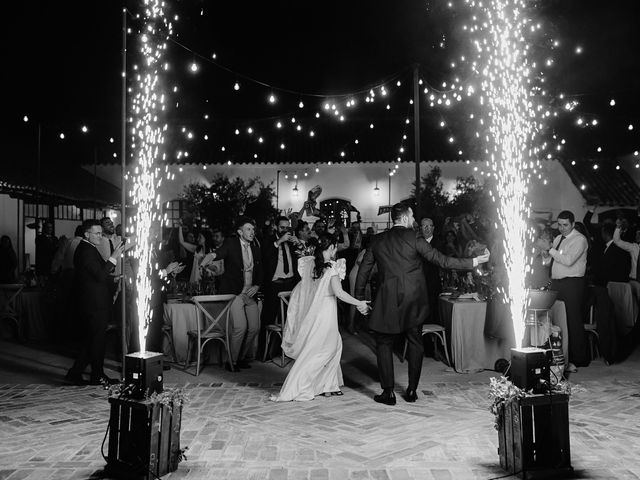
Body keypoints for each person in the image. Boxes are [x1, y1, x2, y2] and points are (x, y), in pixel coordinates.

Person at [355, 203, 489, 405]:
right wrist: (474, 262)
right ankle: (411, 391)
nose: (414, 220)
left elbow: (363, 271)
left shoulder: (378, 240)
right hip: (413, 301)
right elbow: (442, 260)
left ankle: (388, 393)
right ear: (406, 218)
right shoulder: (415, 238)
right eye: (412, 216)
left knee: (384, 344)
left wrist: (359, 299)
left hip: (387, 299)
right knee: (416, 342)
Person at [270, 234, 369, 402]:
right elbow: (339, 293)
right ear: (330, 248)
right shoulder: (331, 268)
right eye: (335, 247)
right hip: (325, 313)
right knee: (322, 351)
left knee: (334, 346)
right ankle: (299, 386)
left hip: (319, 311)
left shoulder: (312, 265)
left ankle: (328, 385)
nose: (336, 250)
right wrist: (359, 302)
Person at [65, 219, 125, 385]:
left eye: (101, 233)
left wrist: (113, 278)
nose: (101, 236)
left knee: (92, 340)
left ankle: (77, 373)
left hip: (94, 301)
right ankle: (95, 375)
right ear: (87, 234)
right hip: (93, 303)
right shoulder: (86, 251)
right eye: (97, 233)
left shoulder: (89, 248)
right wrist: (113, 258)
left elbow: (96, 275)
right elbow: (99, 275)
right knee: (97, 340)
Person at [203, 216, 263, 372]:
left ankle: (241, 357)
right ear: (240, 231)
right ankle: (232, 360)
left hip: (250, 295)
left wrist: (257, 285)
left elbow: (261, 270)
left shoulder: (256, 249)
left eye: (253, 229)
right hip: (235, 293)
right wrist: (210, 257)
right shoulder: (231, 244)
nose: (252, 232)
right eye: (248, 229)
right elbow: (219, 253)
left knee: (254, 328)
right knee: (240, 327)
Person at [539, 210, 589, 372]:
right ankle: (560, 357)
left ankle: (578, 359)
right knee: (557, 320)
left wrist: (550, 249)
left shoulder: (579, 240)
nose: (561, 228)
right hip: (557, 283)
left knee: (572, 320)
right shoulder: (559, 238)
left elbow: (568, 261)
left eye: (565, 225)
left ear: (573, 224)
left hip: (573, 284)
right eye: (559, 224)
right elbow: (550, 261)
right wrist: (544, 253)